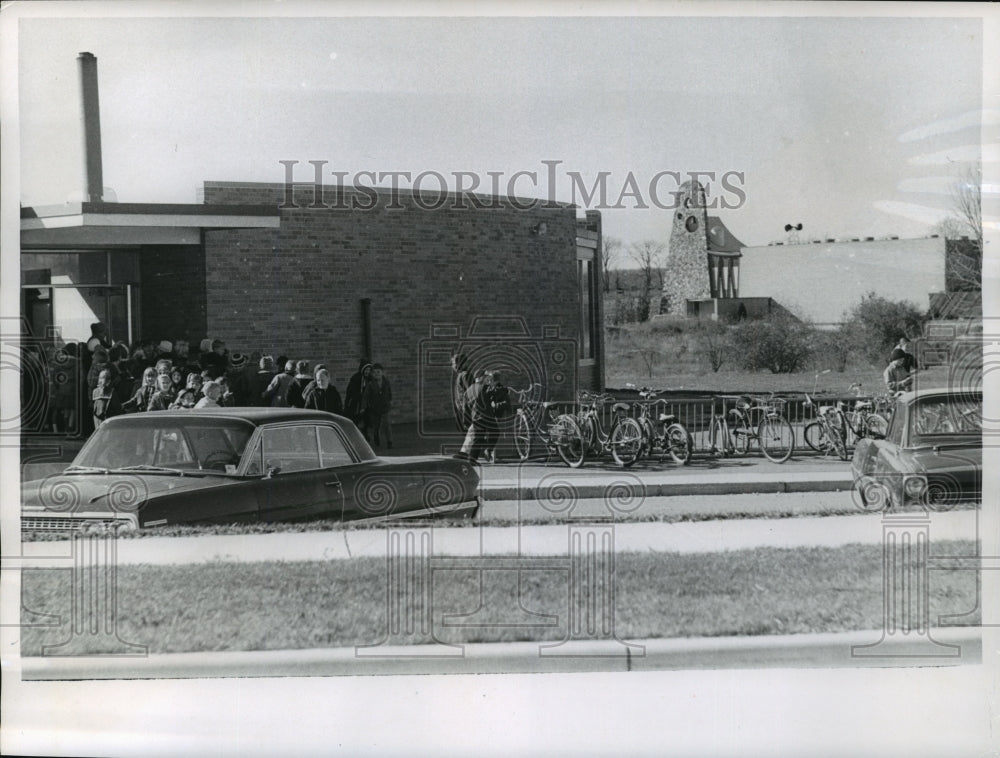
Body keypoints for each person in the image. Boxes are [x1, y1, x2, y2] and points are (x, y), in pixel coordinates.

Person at [362, 363, 393, 448]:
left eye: (378, 372)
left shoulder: (386, 383)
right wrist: (364, 406)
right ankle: (376, 438)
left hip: (385, 407)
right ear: (372, 374)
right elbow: (366, 396)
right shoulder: (371, 384)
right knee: (376, 425)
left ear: (382, 372)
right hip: (374, 408)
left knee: (387, 424)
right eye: (375, 372)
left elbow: (389, 393)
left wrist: (390, 401)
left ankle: (389, 442)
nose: (377, 374)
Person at [483, 370, 510, 463]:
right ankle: (488, 451)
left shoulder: (501, 389)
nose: (488, 382)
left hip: (496, 414)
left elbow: (506, 403)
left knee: (492, 431)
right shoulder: (489, 388)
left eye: (490, 380)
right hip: (489, 414)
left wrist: (495, 405)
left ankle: (489, 451)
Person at [344, 360, 372, 426]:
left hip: (366, 405)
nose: (367, 372)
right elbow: (350, 393)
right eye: (366, 369)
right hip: (356, 405)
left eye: (369, 370)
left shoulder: (370, 379)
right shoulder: (356, 378)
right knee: (355, 422)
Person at [451, 353, 472, 431]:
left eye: (453, 364)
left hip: (466, 412)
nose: (452, 366)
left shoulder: (464, 375)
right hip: (462, 410)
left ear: (458, 364)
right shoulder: (461, 375)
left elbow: (471, 393)